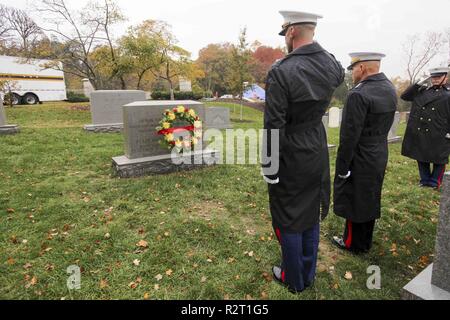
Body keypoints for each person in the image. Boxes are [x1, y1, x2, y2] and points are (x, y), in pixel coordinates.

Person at [261, 10, 344, 293]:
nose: (285, 38)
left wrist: (270, 165)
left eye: (285, 33)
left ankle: (294, 278)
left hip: (291, 149)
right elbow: (336, 75)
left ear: (293, 31)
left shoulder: (281, 71)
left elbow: (273, 125)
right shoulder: (332, 65)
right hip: (316, 146)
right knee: (309, 210)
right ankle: (307, 272)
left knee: (288, 216)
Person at [332, 52, 397, 254]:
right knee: (369, 196)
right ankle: (365, 240)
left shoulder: (358, 94)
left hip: (360, 154)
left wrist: (342, 167)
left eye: (353, 70)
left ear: (361, 68)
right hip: (379, 151)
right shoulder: (389, 88)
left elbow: (349, 136)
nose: (352, 74)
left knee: (355, 199)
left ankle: (352, 242)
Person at [401, 67, 450, 189]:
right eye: (433, 77)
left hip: (440, 131)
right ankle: (424, 180)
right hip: (421, 130)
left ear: (446, 77)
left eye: (438, 77)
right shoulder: (422, 91)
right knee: (421, 155)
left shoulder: (448, 94)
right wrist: (418, 83)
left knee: (439, 158)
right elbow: (405, 96)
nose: (435, 80)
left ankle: (434, 182)